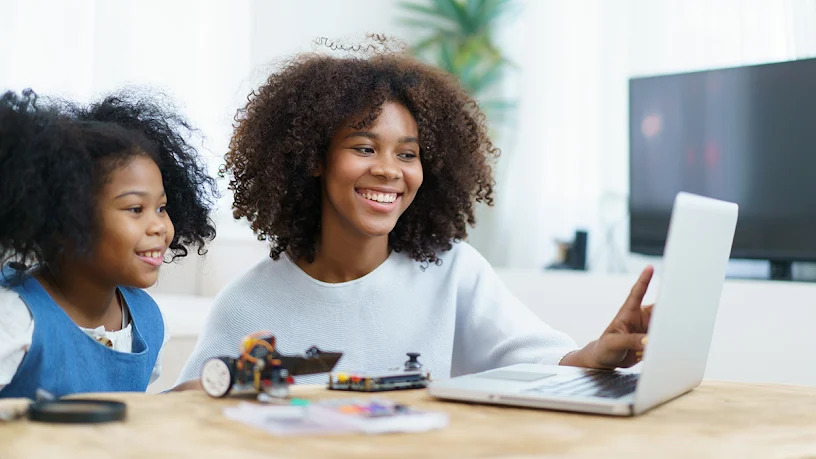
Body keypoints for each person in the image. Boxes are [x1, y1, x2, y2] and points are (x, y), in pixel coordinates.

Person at [177, 47, 652, 388]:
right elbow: (188, 407)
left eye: (408, 154)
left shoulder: (452, 273)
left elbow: (543, 364)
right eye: (364, 148)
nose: (388, 170)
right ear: (314, 159)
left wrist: (600, 351)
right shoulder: (246, 303)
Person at [0, 89, 217, 398]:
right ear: (67, 217)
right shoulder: (13, 317)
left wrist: (184, 396)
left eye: (162, 208)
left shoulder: (147, 321)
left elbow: (125, 416)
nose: (159, 226)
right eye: (135, 209)